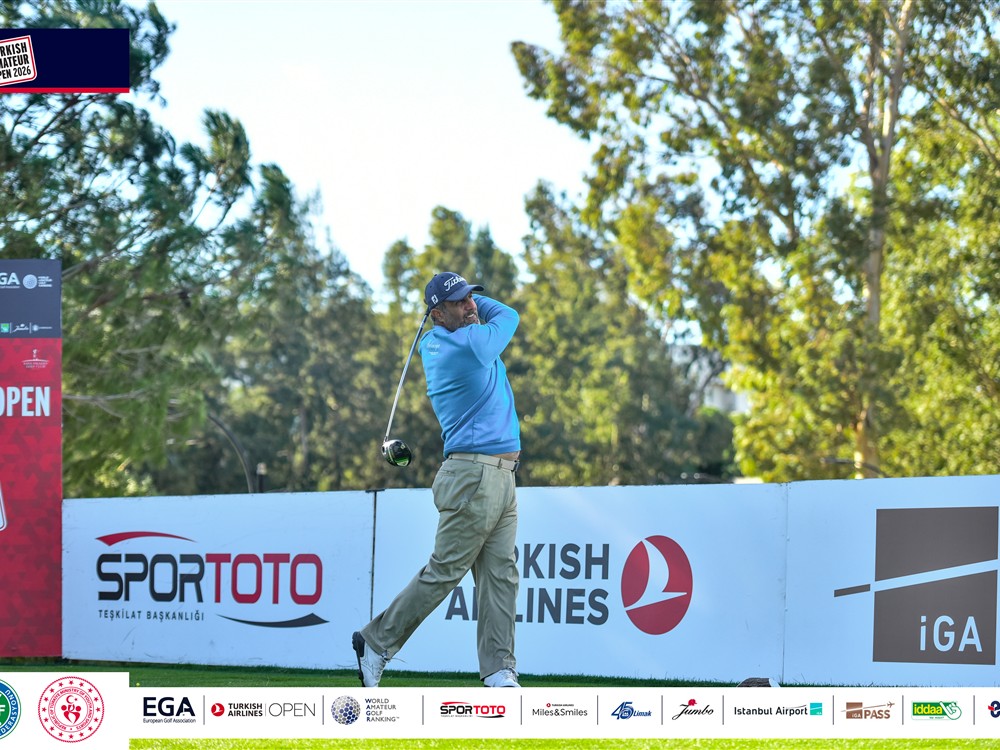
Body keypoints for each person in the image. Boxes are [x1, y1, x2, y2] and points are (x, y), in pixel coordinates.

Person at [352, 271, 522, 688]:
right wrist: (476, 310)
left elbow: (493, 315)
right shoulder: (465, 345)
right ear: (437, 314)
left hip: (501, 477)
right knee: (445, 571)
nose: (470, 305)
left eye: (471, 298)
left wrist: (466, 301)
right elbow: (510, 316)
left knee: (500, 577)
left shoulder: (453, 336)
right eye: (459, 302)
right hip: (473, 475)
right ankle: (376, 642)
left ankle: (499, 669)